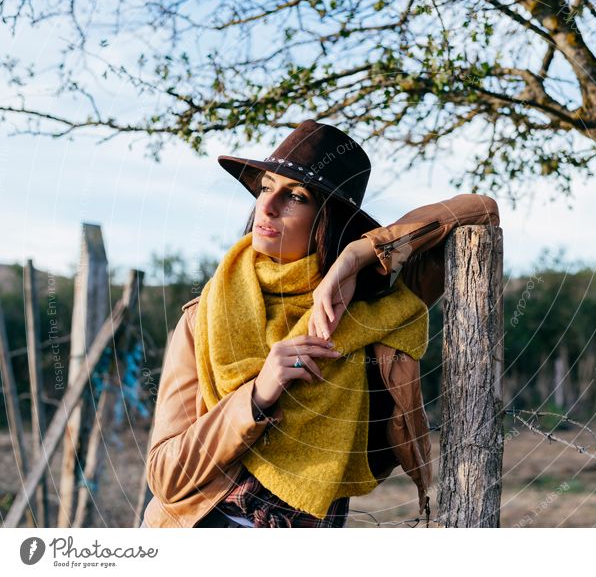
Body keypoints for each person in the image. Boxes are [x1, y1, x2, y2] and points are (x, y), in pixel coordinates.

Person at [141, 119, 500, 528]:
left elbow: (482, 210)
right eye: (265, 187)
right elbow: (165, 475)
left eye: (295, 195)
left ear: (330, 217)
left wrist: (356, 258)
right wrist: (257, 395)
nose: (267, 206)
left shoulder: (378, 300)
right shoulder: (202, 317)